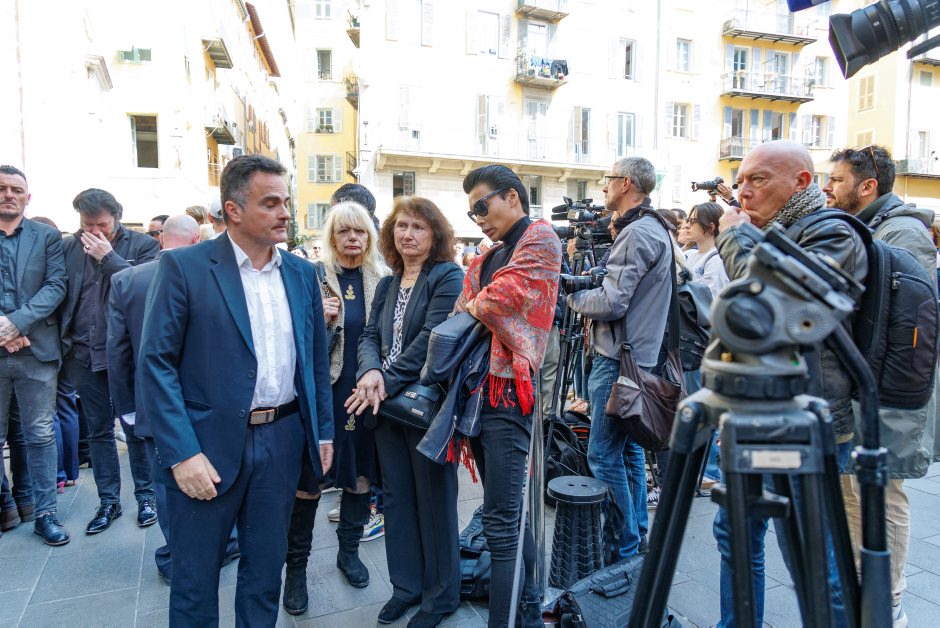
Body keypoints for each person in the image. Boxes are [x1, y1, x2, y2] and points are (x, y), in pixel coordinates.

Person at [138, 154, 334, 626]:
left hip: (282, 440)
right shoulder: (184, 267)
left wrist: (322, 432)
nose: (285, 212)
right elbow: (155, 363)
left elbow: (314, 361)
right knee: (194, 581)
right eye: (270, 203)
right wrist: (182, 453)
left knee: (265, 575)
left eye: (285, 201)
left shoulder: (302, 273)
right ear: (233, 210)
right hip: (205, 446)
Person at [713, 139, 868, 626]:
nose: (743, 192)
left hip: (805, 426)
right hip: (761, 415)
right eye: (740, 181)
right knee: (735, 532)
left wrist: (733, 238)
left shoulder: (832, 233)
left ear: (801, 182)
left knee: (810, 553)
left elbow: (772, 310)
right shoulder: (776, 233)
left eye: (757, 180)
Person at [824, 145, 937, 627]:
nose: (827, 187)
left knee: (882, 493)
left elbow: (910, 324)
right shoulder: (867, 227)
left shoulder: (901, 232)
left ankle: (887, 601)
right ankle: (863, 588)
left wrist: (884, 403)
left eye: (836, 179)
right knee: (855, 491)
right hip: (865, 390)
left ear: (867, 186)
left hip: (887, 395)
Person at [349, 196, 463, 627]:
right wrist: (369, 371)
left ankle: (441, 596)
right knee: (396, 498)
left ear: (435, 234)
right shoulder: (387, 283)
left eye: (418, 227)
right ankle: (406, 587)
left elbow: (433, 339)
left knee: (433, 500)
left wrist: (383, 380)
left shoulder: (447, 275)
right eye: (401, 226)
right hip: (385, 406)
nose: (408, 234)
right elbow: (369, 335)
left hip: (425, 406)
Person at [458, 165, 562, 626]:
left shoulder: (540, 238)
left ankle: (510, 619)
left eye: (482, 206)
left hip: (508, 394)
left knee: (501, 519)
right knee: (507, 513)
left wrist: (477, 305)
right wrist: (478, 305)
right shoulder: (494, 254)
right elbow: (470, 305)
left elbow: (496, 300)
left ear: (513, 197)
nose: (478, 218)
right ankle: (529, 608)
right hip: (476, 391)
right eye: (472, 211)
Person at [107, 214, 236, 585]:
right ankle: (222, 543)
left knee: (168, 483)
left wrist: (127, 408)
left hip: (152, 403)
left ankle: (178, 554)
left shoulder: (127, 280)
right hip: (212, 401)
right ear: (196, 240)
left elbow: (118, 352)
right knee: (216, 473)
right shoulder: (214, 277)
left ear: (161, 239)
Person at [282, 201, 388, 615]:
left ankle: (349, 554)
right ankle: (296, 571)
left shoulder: (382, 280)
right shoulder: (311, 277)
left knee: (359, 476)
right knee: (309, 481)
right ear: (331, 237)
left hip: (364, 395)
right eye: (344, 231)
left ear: (369, 236)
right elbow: (289, 340)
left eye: (359, 231)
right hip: (321, 396)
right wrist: (317, 319)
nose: (352, 238)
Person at [567, 157, 672, 563]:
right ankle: (636, 536)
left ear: (625, 183)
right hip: (636, 357)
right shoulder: (655, 227)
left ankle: (623, 546)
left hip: (617, 360)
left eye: (608, 179)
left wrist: (572, 297)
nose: (604, 186)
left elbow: (612, 302)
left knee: (602, 454)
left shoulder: (638, 232)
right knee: (627, 453)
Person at [60, 188, 160, 534]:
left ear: (117, 218)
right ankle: (108, 501)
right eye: (88, 224)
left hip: (126, 354)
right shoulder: (70, 247)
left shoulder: (143, 245)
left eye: (101, 224)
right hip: (83, 353)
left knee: (135, 426)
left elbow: (146, 290)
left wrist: (109, 258)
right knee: (99, 430)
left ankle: (147, 496)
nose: (94, 232)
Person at [0, 165, 68, 545]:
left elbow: (56, 285)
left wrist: (16, 324)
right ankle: (7, 507)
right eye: (2, 188)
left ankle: (45, 514)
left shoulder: (47, 237)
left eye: (16, 189)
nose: (9, 194)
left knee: (40, 434)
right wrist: (3, 330)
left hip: (36, 351)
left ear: (28, 197)